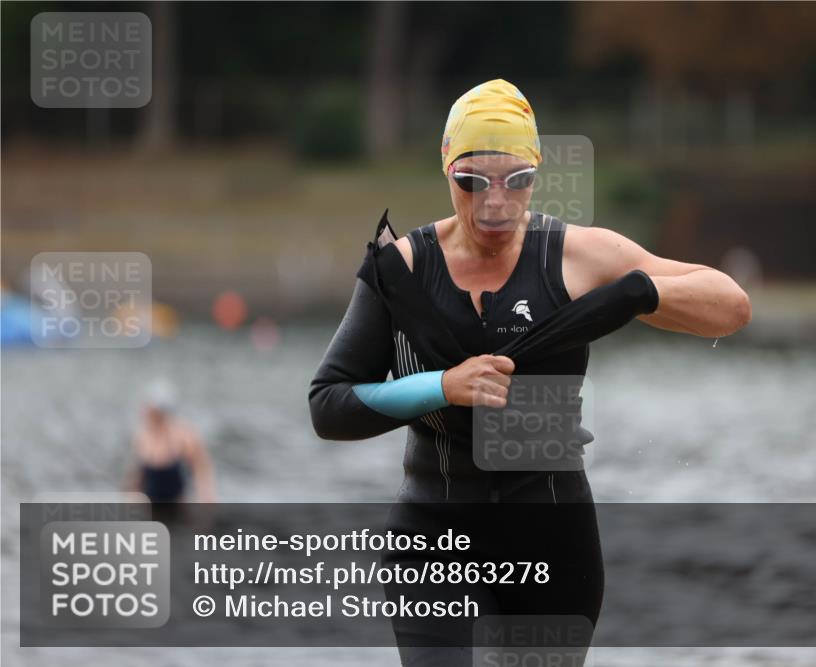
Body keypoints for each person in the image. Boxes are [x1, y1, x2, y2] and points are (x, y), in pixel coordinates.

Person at [309, 79, 751, 665]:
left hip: (551, 535)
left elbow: (731, 305)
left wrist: (637, 294)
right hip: (433, 535)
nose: (495, 202)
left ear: (535, 175)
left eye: (515, 181)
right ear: (447, 170)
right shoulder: (403, 270)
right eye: (473, 182)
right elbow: (327, 405)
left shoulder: (576, 256)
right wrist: (443, 387)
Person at [125, 379, 216, 503]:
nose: (150, 415)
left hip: (177, 503)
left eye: (155, 412)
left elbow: (201, 470)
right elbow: (136, 475)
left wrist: (206, 499)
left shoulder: (184, 436)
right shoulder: (142, 436)